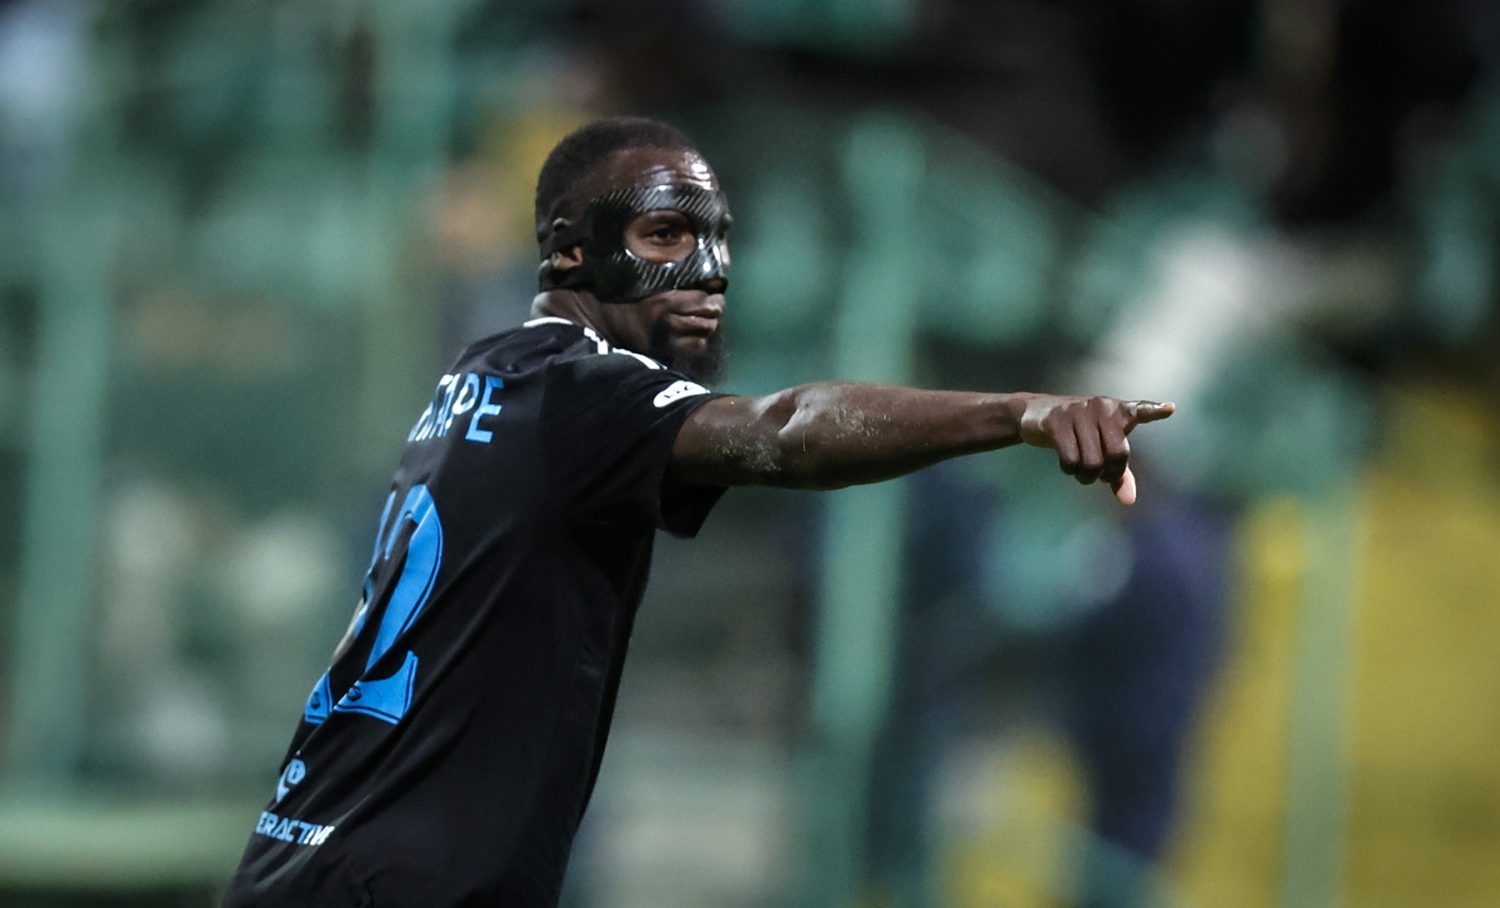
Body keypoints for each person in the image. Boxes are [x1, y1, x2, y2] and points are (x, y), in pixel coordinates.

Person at [221, 116, 1174, 907]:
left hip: (306, 858)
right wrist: (1016, 412)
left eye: (718, 241)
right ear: (569, 250)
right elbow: (786, 432)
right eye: (666, 237)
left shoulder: (484, 377)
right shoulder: (581, 393)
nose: (709, 271)